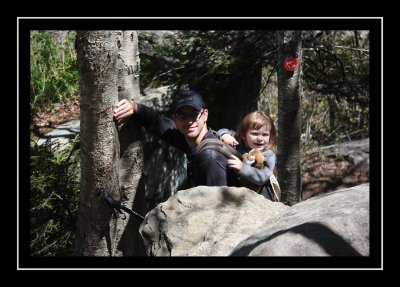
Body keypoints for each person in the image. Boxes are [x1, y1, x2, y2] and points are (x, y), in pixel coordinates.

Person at [113, 90, 239, 188]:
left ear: (205, 114)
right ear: (175, 119)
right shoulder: (190, 142)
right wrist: (134, 107)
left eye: (194, 114)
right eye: (182, 115)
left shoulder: (210, 157)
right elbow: (157, 122)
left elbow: (217, 209)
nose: (189, 121)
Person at [216, 111, 278, 200]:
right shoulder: (239, 144)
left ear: (270, 137)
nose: (260, 139)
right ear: (243, 135)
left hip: (261, 198)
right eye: (255, 134)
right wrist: (224, 135)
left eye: (265, 135)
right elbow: (222, 131)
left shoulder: (268, 155)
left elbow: (263, 176)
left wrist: (242, 167)